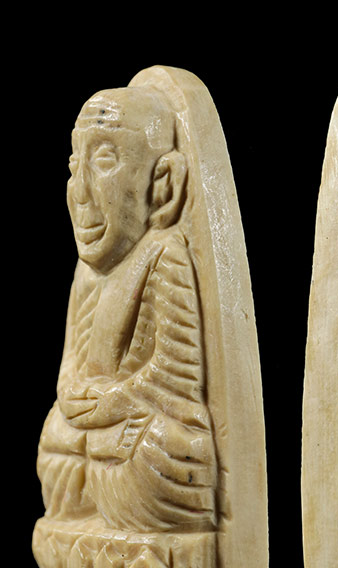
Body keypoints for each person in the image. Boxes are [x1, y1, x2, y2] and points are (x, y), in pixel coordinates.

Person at [38, 86, 217, 532]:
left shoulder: (164, 255)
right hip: (100, 429)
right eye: (74, 167)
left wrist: (118, 400)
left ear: (164, 183)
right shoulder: (86, 273)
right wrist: (72, 395)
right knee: (55, 439)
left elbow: (179, 372)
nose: (80, 192)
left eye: (104, 161)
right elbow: (71, 362)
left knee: (159, 448)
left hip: (137, 426)